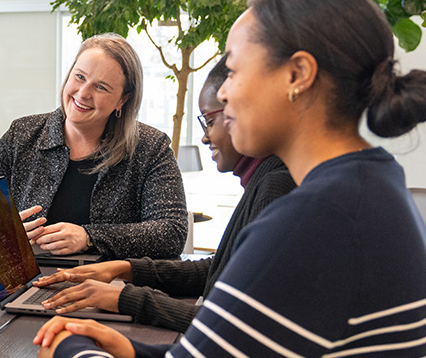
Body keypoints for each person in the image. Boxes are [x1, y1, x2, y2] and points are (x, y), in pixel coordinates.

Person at [34, 0, 426, 358]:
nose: (221, 92)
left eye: (234, 70)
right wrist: (135, 352)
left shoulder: (315, 221)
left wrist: (69, 351)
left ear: (297, 75)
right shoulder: (369, 188)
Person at [33, 57, 296, 332]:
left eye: (209, 121)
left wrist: (125, 297)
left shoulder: (276, 190)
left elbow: (235, 327)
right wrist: (126, 269)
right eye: (79, 77)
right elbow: (223, 269)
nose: (205, 137)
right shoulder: (264, 182)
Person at [0, 33, 187, 260]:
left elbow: (171, 232)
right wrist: (0, 232)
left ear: (123, 100)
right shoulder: (21, 135)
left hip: (109, 288)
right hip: (25, 285)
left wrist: (89, 237)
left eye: (101, 87)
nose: (83, 93)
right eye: (79, 77)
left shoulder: (150, 148)